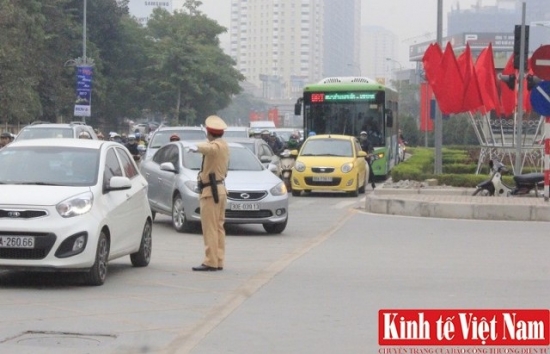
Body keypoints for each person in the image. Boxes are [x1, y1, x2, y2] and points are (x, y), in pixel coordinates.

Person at [188, 115, 229, 272]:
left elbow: (209, 148)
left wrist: (196, 147)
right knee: (218, 228)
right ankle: (218, 259)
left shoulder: (216, 146)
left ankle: (210, 261)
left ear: (209, 132)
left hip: (211, 192)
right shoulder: (224, 145)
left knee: (210, 228)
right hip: (219, 190)